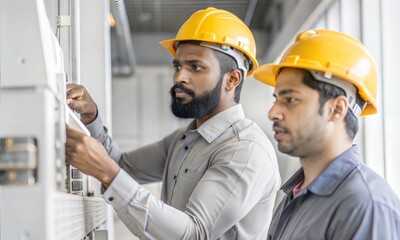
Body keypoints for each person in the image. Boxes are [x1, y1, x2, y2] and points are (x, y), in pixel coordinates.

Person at [65, 7, 281, 240]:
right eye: (177, 66)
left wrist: (108, 174)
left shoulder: (245, 150)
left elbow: (194, 234)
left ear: (232, 79)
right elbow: (121, 166)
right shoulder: (182, 140)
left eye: (195, 67)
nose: (179, 77)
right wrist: (90, 116)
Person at [254, 29, 400, 239]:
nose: (273, 112)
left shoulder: (364, 206)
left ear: (337, 109)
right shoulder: (294, 195)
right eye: (276, 99)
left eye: (290, 99)